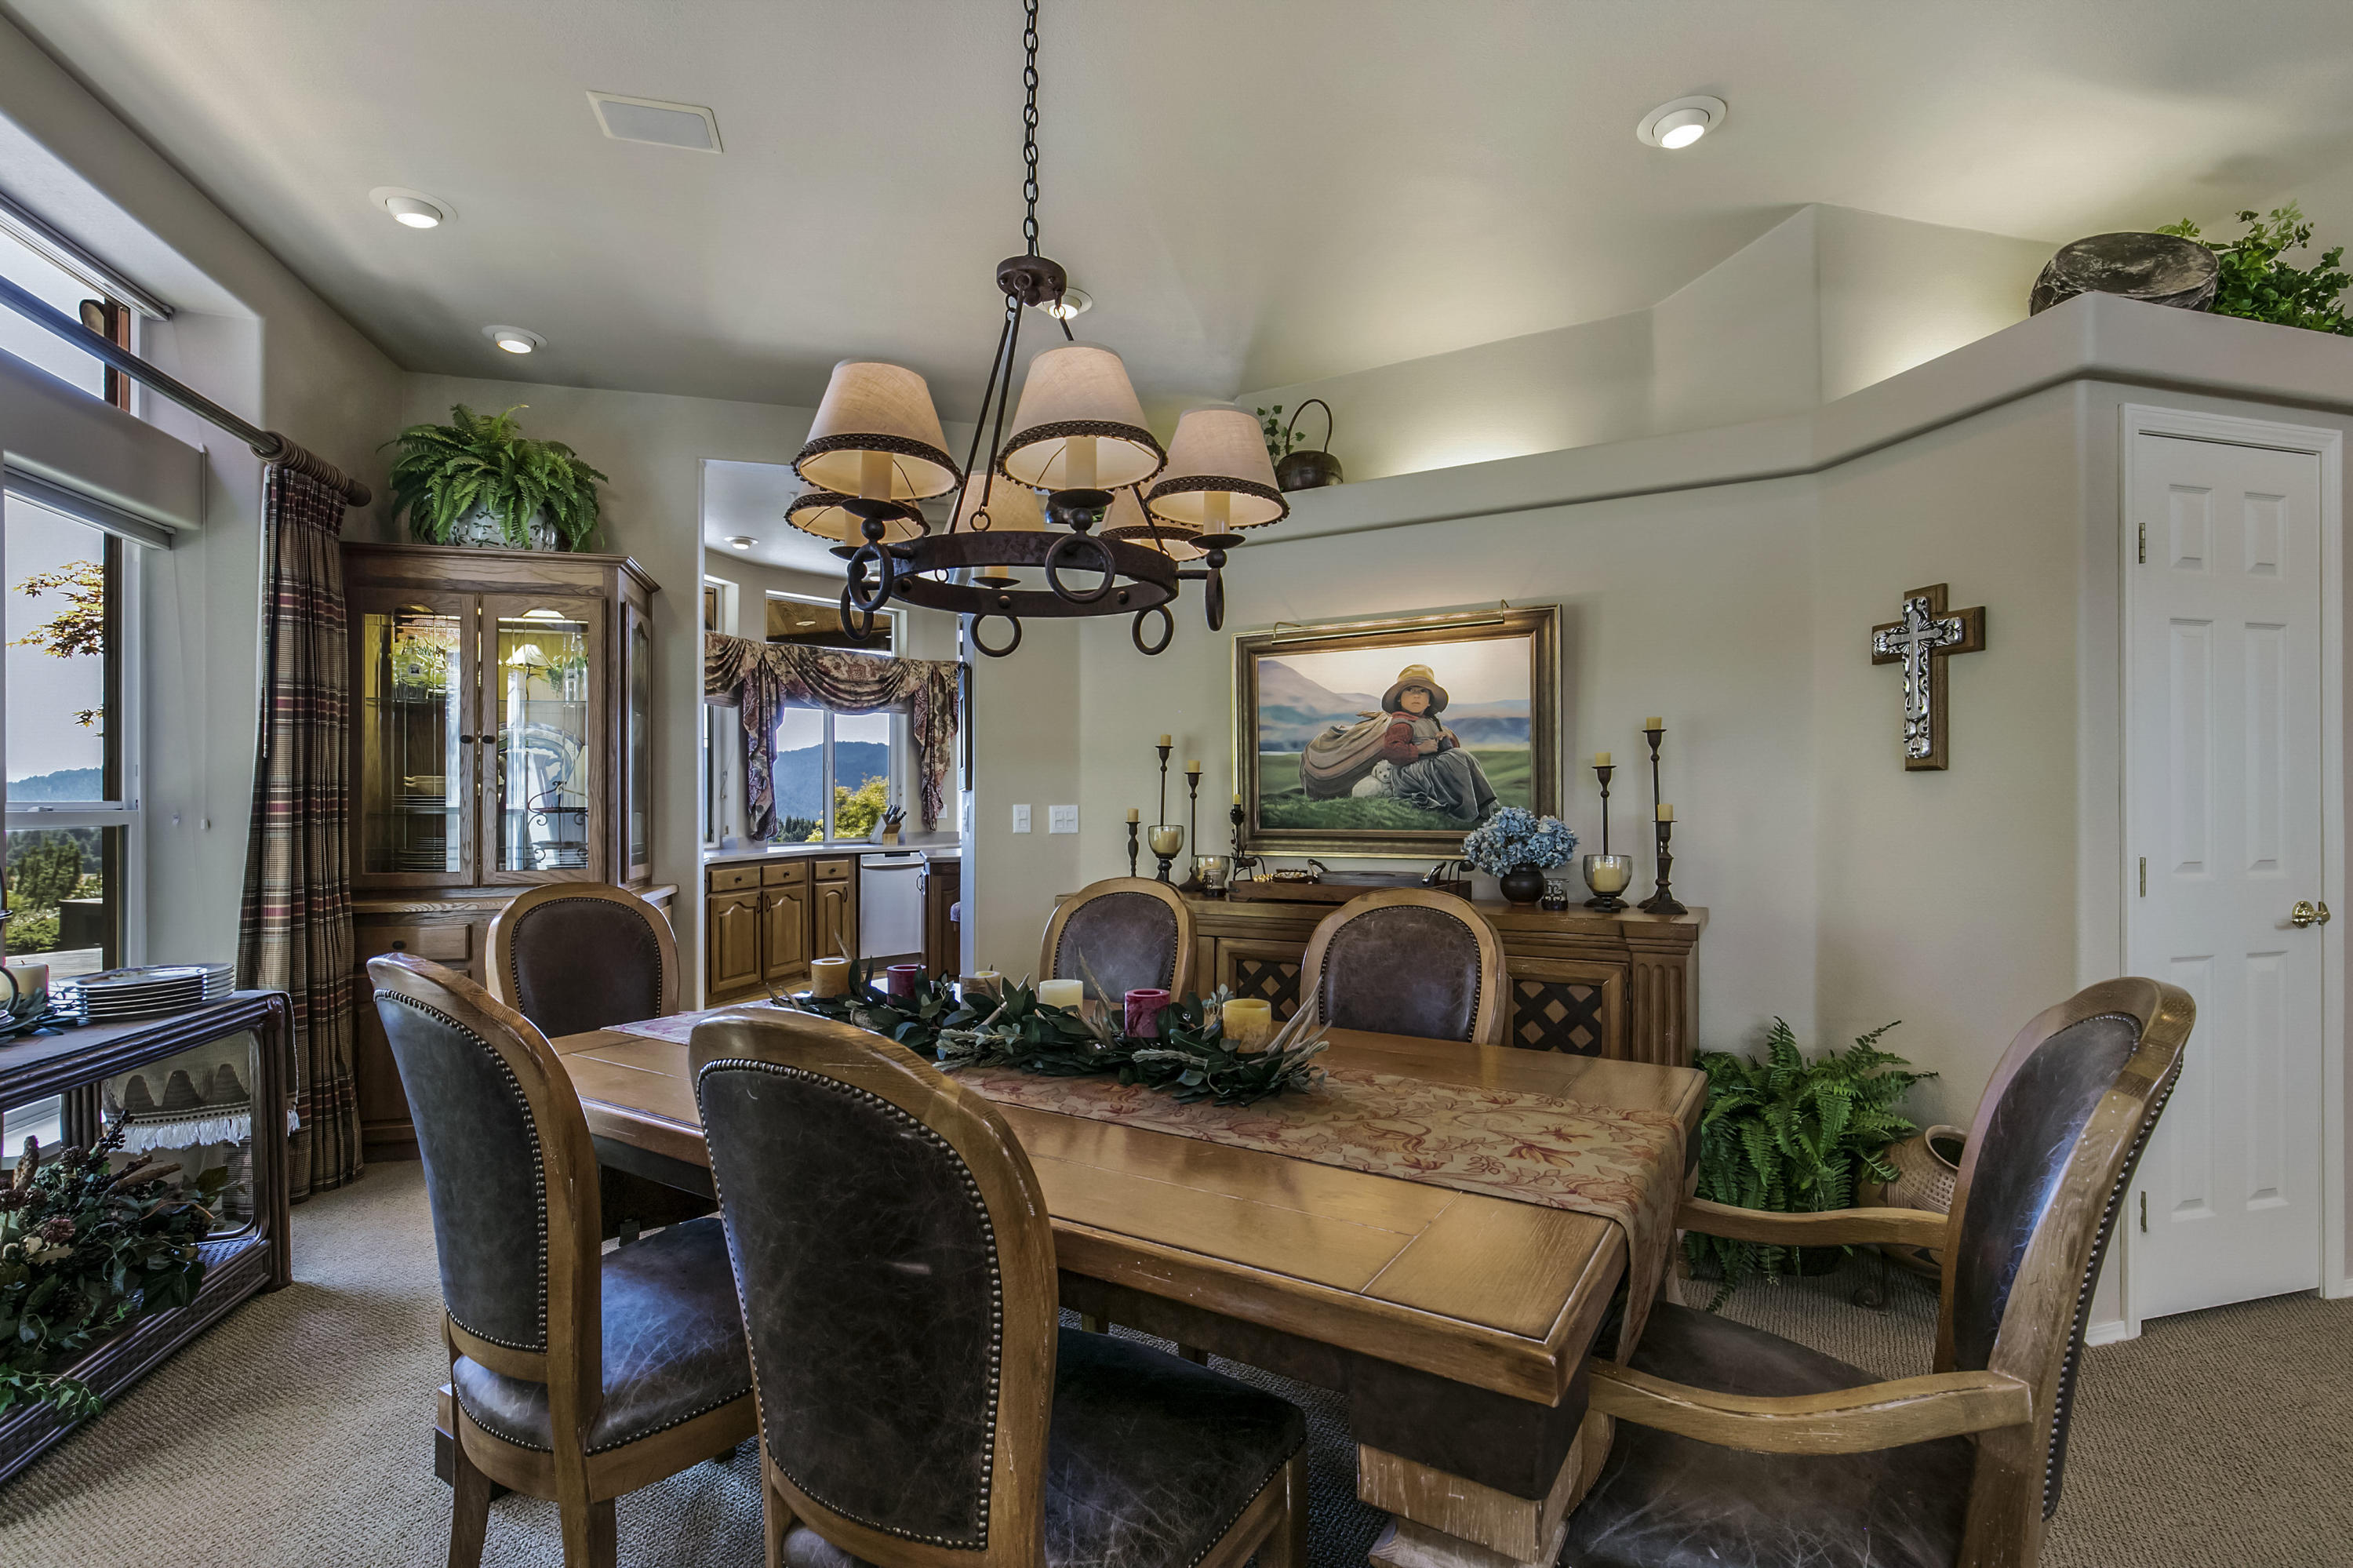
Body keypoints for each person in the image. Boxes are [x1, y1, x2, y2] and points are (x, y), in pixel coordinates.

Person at [1351, 663, 1499, 827]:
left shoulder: (1431, 721)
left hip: (1429, 769)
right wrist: (1419, 749)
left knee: (1461, 756)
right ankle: (1465, 811)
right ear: (1399, 698)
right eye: (1410, 690)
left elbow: (1450, 750)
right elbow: (1392, 753)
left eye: (1422, 691)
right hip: (1410, 773)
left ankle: (1484, 804)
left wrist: (1447, 737)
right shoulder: (1401, 723)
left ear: (1429, 701)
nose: (1416, 696)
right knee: (1455, 758)